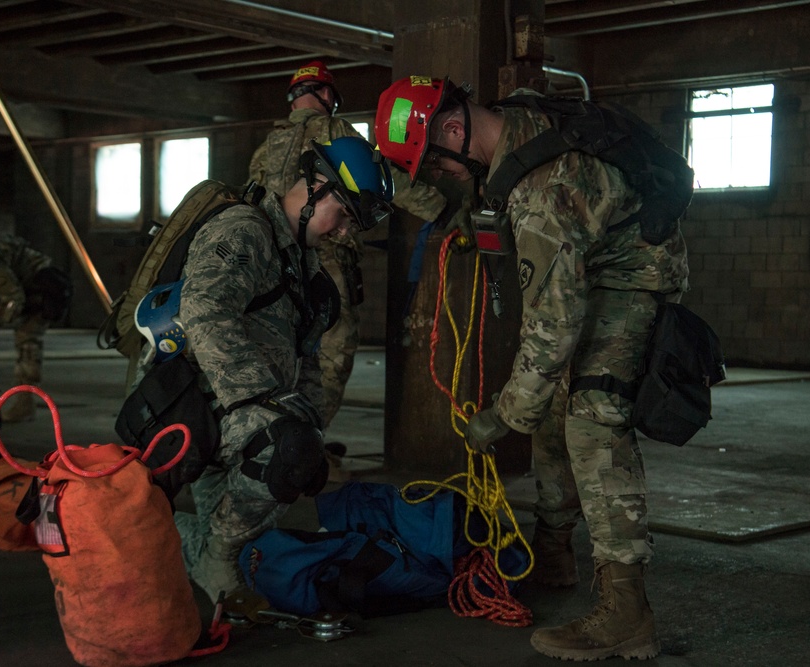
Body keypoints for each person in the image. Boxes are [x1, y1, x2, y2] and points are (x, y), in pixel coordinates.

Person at [374, 76, 689, 661]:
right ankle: (553, 547)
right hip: (597, 262)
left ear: (452, 130)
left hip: (629, 280)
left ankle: (627, 610)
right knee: (549, 403)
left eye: (439, 167)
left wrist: (505, 415)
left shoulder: (543, 191)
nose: (443, 177)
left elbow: (555, 325)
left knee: (594, 416)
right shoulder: (516, 125)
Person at [144, 136, 394, 604]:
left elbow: (310, 354)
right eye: (343, 216)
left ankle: (185, 536)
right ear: (316, 187)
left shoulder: (303, 262)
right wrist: (262, 402)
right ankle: (213, 556)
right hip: (193, 397)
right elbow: (205, 311)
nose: (344, 233)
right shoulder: (245, 231)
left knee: (301, 450)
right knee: (286, 449)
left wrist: (311, 426)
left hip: (240, 403)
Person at [249, 60, 450, 429]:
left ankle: (275, 436)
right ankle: (305, 442)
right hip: (328, 262)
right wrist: (440, 207)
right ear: (326, 95)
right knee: (332, 355)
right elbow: (377, 176)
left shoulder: (267, 145)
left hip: (277, 263)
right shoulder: (334, 129)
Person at [0, 233, 72, 422]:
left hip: (40, 290)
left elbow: (14, 299)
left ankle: (25, 403)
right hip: (13, 290)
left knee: (28, 343)